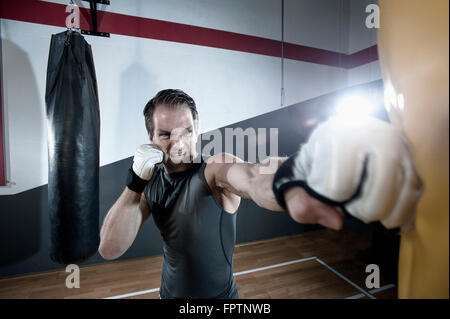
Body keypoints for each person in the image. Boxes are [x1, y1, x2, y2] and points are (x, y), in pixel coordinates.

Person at [98, 89, 420, 299]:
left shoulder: (214, 170)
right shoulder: (147, 181)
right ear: (150, 136)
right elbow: (110, 248)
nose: (178, 143)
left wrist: (296, 175)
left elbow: (254, 177)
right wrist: (134, 182)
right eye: (166, 134)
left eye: (187, 131)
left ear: (199, 128)